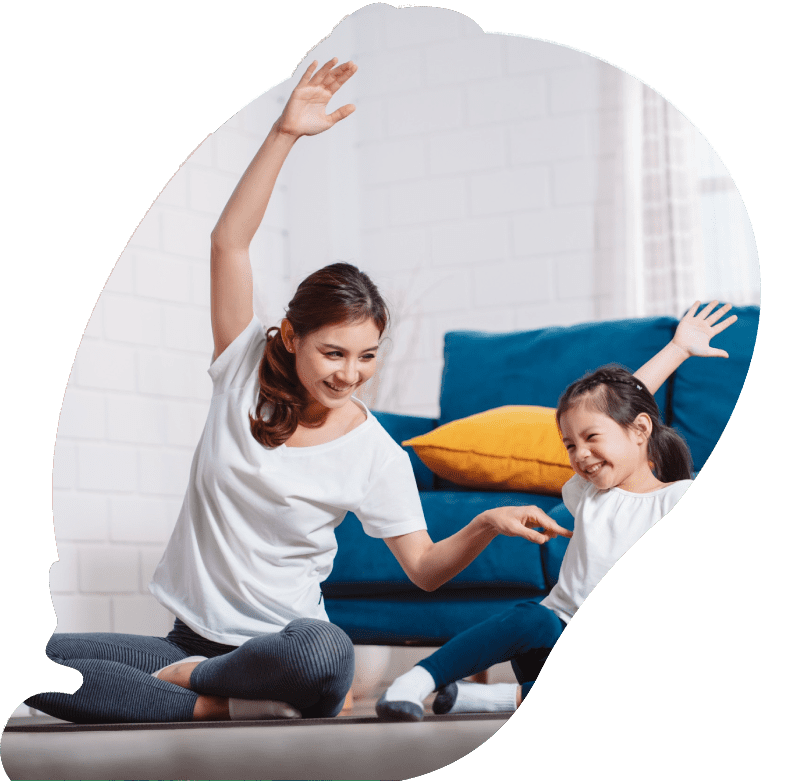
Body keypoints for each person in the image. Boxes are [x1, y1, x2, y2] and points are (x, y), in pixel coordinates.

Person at [26, 58, 573, 725]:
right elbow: (228, 242)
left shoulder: (376, 452)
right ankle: (213, 700)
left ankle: (199, 687)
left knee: (324, 650)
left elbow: (425, 568)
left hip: (291, 648)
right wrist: (283, 133)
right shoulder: (242, 366)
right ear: (288, 335)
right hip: (190, 640)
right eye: (333, 352)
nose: (349, 373)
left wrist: (486, 522)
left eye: (368, 356)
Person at [376, 301, 737, 721]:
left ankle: (489, 700)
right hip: (552, 643)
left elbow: (623, 406)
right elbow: (619, 406)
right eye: (570, 445)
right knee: (536, 618)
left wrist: (678, 350)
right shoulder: (590, 493)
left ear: (641, 431)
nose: (580, 454)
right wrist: (673, 350)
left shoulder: (679, 499)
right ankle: (415, 682)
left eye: (591, 438)